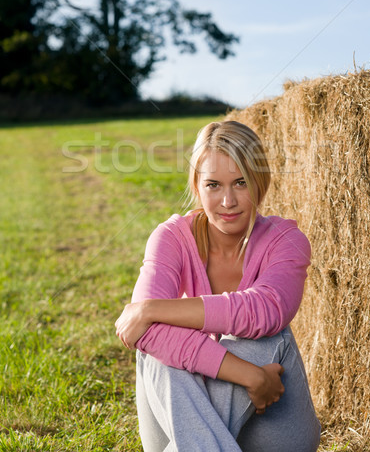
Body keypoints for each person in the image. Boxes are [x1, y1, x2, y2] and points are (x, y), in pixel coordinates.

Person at [115, 120, 321, 451]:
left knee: (267, 335)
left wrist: (151, 309)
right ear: (197, 187)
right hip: (179, 419)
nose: (228, 201)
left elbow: (267, 310)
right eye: (213, 185)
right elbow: (144, 334)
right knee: (157, 355)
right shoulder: (171, 238)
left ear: (260, 184)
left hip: (272, 429)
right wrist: (251, 376)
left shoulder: (286, 240)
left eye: (240, 183)